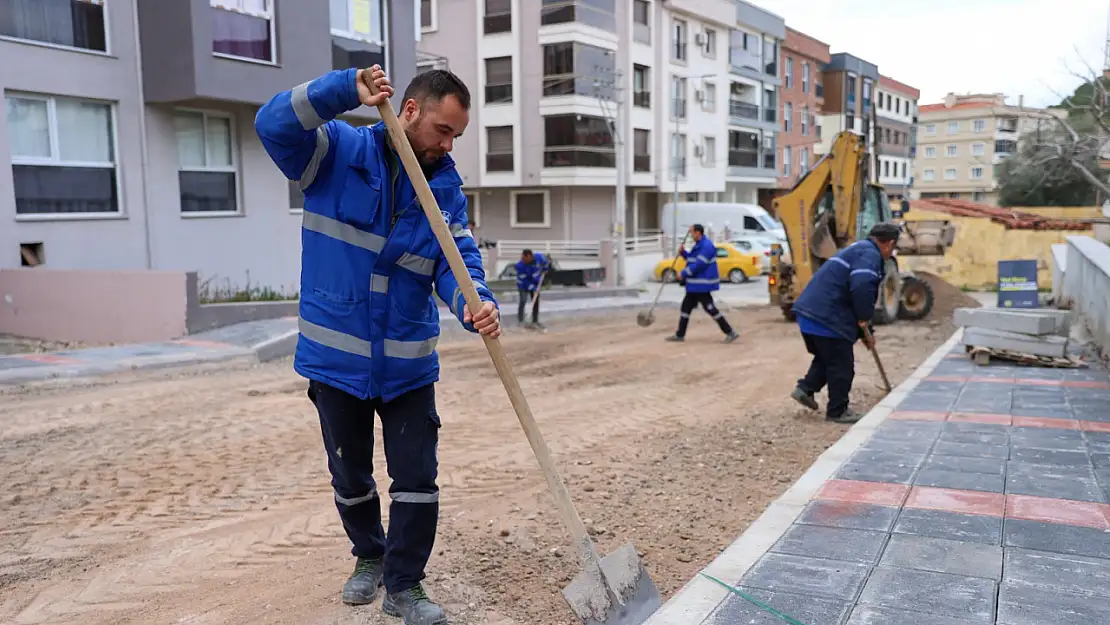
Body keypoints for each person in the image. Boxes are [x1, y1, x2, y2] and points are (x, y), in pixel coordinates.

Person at [255, 65, 499, 624]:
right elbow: (271, 123)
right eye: (443, 129)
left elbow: (458, 264)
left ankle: (405, 584)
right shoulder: (334, 156)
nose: (447, 144)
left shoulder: (445, 191)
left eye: (457, 135)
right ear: (409, 110)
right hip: (336, 362)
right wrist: (342, 91)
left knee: (416, 478)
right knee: (351, 475)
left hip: (408, 364)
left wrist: (473, 303)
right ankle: (369, 555)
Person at [789, 222, 901, 424]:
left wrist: (866, 332)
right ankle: (837, 411)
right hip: (825, 316)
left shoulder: (858, 249)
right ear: (889, 244)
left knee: (828, 357)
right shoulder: (870, 255)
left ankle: (805, 389)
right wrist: (865, 319)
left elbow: (854, 293)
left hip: (809, 313)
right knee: (841, 365)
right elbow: (861, 288)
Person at [665, 224, 740, 344]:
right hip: (694, 285)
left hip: (702, 285)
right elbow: (692, 260)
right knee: (685, 308)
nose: (690, 236)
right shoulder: (699, 245)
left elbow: (699, 265)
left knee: (710, 309)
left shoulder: (706, 246)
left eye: (692, 233)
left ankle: (730, 332)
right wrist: (684, 253)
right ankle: (680, 334)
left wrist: (683, 273)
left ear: (698, 233)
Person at [515, 249, 550, 329]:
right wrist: (532, 287)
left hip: (535, 282)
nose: (523, 260)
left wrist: (546, 268)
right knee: (523, 300)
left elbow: (546, 263)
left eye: (525, 258)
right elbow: (524, 280)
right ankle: (521, 321)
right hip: (523, 285)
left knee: (536, 301)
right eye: (522, 258)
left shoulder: (539, 257)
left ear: (530, 256)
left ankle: (535, 321)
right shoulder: (520, 266)